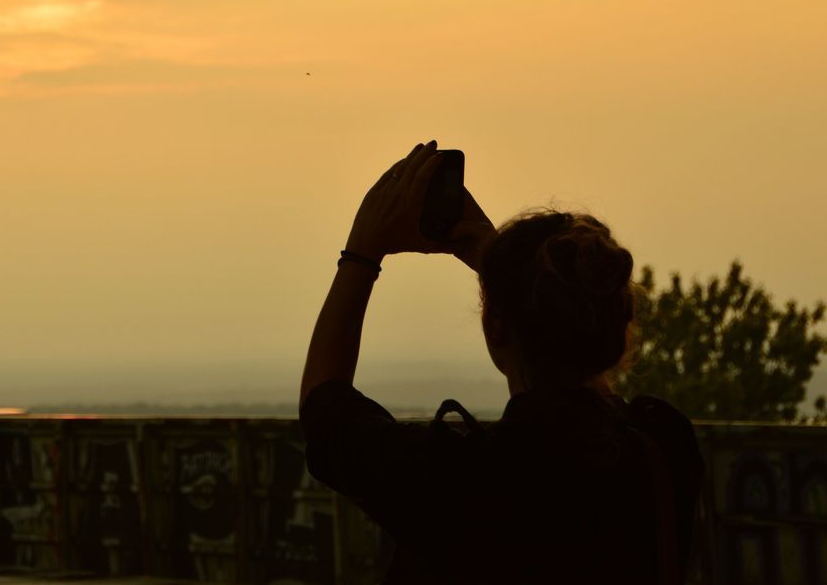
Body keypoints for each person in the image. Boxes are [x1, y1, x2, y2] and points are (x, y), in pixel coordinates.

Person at [299, 141, 704, 584]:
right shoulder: (663, 445)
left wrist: (360, 254)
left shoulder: (462, 479)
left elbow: (325, 413)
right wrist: (507, 283)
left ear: (495, 331)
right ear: (618, 329)